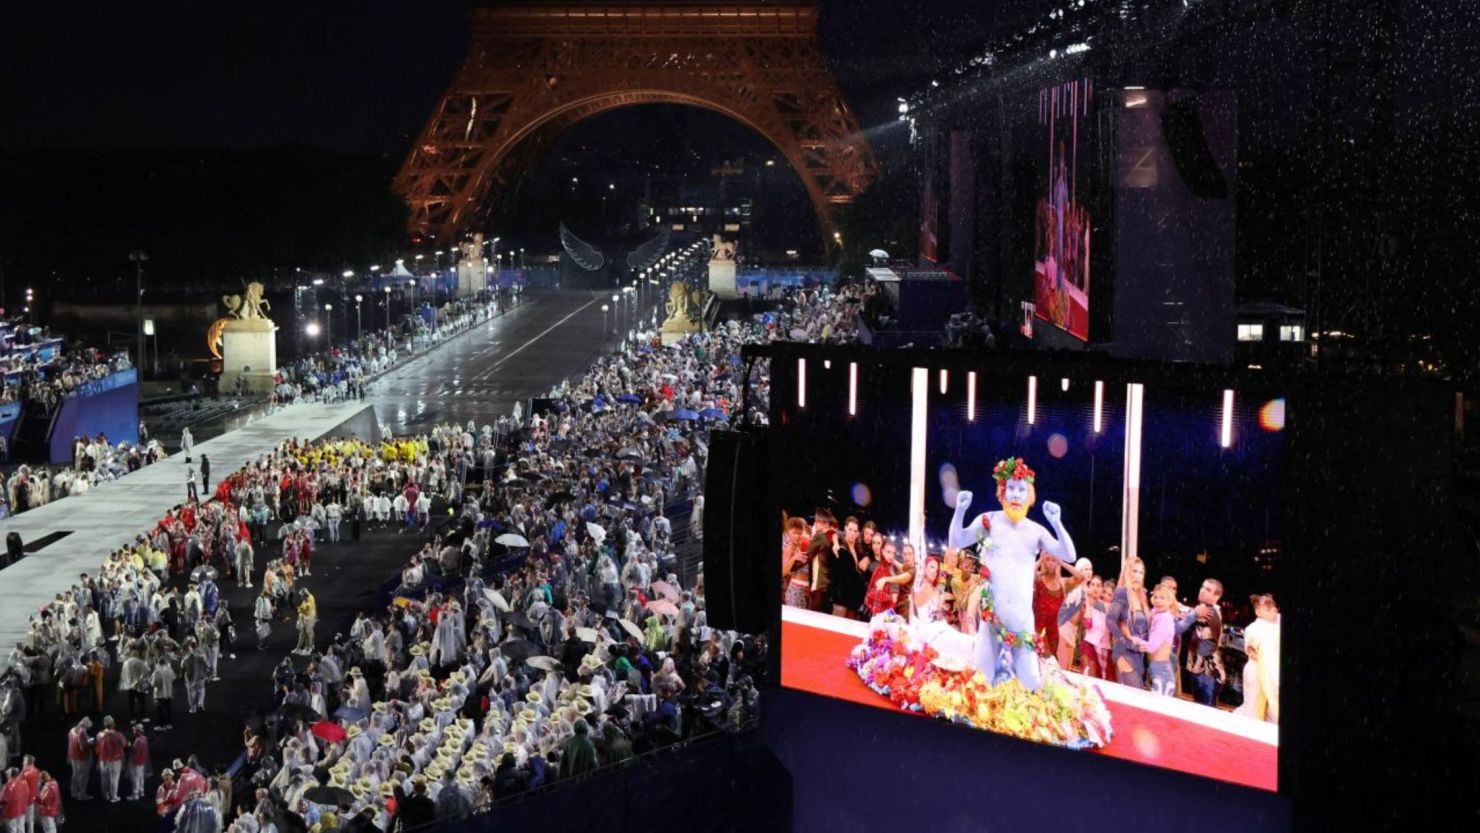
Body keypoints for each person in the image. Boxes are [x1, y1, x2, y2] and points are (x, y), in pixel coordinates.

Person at [949, 458, 1076, 691]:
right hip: (991, 623)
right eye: (1011, 488)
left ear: (1029, 495)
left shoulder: (1035, 530)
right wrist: (960, 511)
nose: (1016, 495)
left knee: (1031, 685)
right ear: (1002, 492)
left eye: (1022, 490)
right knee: (980, 683)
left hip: (1022, 625)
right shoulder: (989, 521)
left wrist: (1057, 524)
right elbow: (956, 540)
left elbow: (1069, 554)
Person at [1031, 552, 1087, 660]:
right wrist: (1038, 561)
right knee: (1040, 661)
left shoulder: (1062, 583)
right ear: (1044, 561)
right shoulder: (1038, 578)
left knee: (1050, 664)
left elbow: (1080, 577)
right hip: (1036, 629)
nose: (1051, 563)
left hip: (1053, 632)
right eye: (1048, 560)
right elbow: (1028, 575)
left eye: (1054, 560)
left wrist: (1062, 562)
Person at [1180, 578, 1226, 706]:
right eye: (1203, 587)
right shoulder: (1204, 609)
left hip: (1208, 673)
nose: (1202, 591)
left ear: (1216, 597)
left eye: (1208, 590)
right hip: (1200, 670)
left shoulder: (1209, 612)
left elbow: (1183, 614)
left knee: (1206, 713)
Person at [1107, 557, 1150, 689]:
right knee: (1136, 696)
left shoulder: (1141, 597)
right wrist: (1125, 641)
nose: (1138, 576)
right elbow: (1109, 619)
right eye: (1135, 571)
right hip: (1125, 651)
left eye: (1141, 572)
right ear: (1127, 572)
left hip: (1138, 654)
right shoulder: (1122, 592)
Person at [1239, 594, 1281, 723]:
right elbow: (1251, 649)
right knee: (1253, 706)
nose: (1272, 612)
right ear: (1258, 612)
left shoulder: (1278, 625)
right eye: (1267, 609)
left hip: (1274, 670)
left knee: (1272, 710)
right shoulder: (1253, 628)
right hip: (1256, 670)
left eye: (1273, 609)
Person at [1132, 585, 1178, 696]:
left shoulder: (1164, 618)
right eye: (1155, 597)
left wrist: (1134, 640)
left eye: (1162, 598)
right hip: (1157, 668)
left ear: (1170, 601)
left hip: (1162, 671)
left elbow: (1152, 646)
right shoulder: (1158, 613)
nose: (1158, 601)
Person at [94, 716, 127, 802]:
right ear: (112, 724)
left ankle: (105, 795)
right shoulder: (118, 734)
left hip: (103, 760)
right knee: (114, 779)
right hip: (114, 761)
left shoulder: (99, 734)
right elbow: (124, 743)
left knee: (104, 778)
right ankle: (113, 796)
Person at [65, 717, 93, 801]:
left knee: (75, 774)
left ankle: (73, 792)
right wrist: (90, 742)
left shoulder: (72, 730)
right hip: (82, 757)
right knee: (83, 776)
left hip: (73, 755)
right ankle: (82, 794)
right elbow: (82, 747)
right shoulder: (82, 733)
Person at [1, 767, 31, 833]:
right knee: (21, 828)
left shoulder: (8, 785)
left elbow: (3, 800)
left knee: (12, 829)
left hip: (11, 811)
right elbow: (27, 794)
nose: (6, 774)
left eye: (7, 773)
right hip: (22, 809)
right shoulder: (24, 783)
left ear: (10, 774)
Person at [129, 724, 151, 801]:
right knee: (141, 777)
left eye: (135, 730)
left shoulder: (137, 740)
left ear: (138, 731)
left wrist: (130, 746)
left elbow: (135, 751)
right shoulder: (144, 738)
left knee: (136, 778)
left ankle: (135, 795)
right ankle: (141, 792)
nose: (133, 732)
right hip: (143, 761)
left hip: (137, 762)